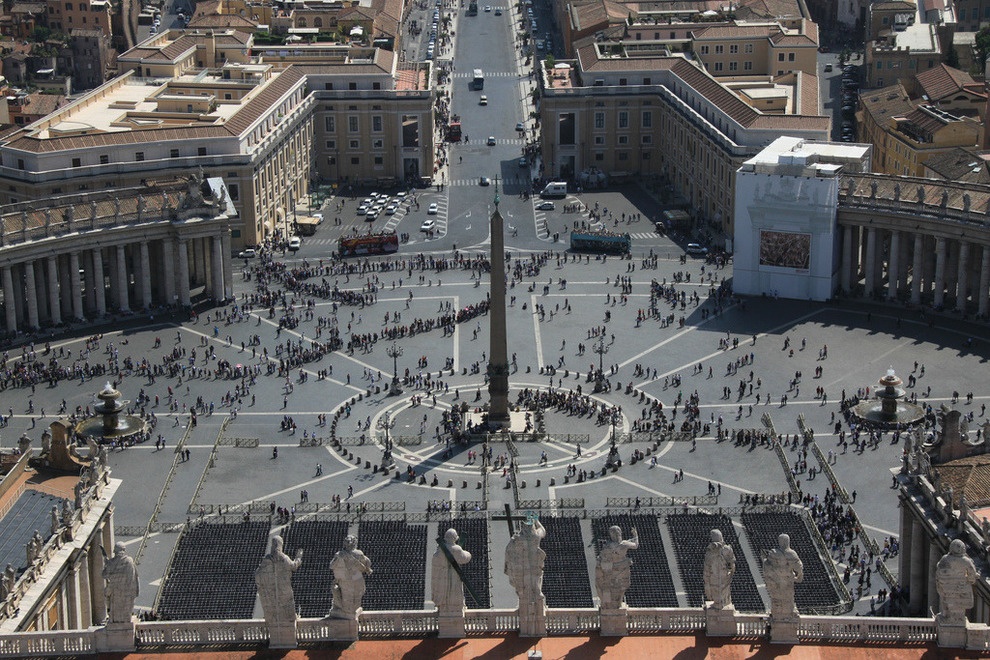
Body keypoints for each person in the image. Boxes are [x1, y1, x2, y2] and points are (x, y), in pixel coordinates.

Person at [504, 514, 546, 619]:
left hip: (521, 571)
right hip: (534, 569)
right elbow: (542, 530)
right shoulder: (535, 536)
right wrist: (537, 521)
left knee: (523, 591)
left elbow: (508, 552)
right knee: (535, 586)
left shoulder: (516, 539)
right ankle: (537, 595)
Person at [254, 536, 303, 624]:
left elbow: (258, 573)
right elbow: (294, 566)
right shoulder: (283, 558)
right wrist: (298, 557)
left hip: (271, 590)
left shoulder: (267, 559)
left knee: (275, 610)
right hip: (284, 589)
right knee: (287, 609)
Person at [329, 535, 373, 620]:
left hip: (346, 580)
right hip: (357, 579)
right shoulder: (359, 553)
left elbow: (331, 566)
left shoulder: (339, 554)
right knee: (356, 600)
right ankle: (351, 612)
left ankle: (347, 612)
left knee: (347, 606)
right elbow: (368, 562)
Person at [595, 525, 639, 610]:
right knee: (621, 587)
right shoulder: (625, 544)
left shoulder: (607, 545)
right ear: (619, 533)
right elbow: (636, 545)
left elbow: (602, 557)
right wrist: (635, 536)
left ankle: (607, 605)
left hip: (609, 570)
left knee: (608, 588)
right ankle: (618, 604)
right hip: (622, 569)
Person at [762, 533, 803, 622]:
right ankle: (787, 615)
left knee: (776, 599)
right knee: (788, 599)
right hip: (787, 581)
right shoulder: (792, 554)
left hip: (776, 582)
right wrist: (799, 576)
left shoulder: (773, 553)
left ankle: (777, 614)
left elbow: (766, 564)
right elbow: (799, 567)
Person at [935, 539, 977, 625]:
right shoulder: (966, 561)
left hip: (947, 587)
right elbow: (972, 574)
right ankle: (957, 619)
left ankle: (948, 617)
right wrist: (969, 580)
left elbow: (939, 570)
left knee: (947, 602)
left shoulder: (945, 559)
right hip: (961, 587)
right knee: (959, 606)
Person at [431, 528, 471, 613]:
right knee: (454, 591)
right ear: (455, 538)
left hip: (443, 576)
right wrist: (468, 553)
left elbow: (435, 559)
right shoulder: (457, 549)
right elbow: (464, 558)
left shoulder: (440, 550)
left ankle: (445, 607)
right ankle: (455, 608)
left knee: (446, 592)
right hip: (454, 575)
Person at [103, 542, 140, 624]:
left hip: (115, 591)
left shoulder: (111, 562)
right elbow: (133, 578)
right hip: (126, 592)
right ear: (124, 550)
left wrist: (107, 565)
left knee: (114, 610)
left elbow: (104, 575)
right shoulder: (129, 561)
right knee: (125, 614)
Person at [704, 529, 736, 609]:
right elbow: (732, 563)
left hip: (718, 576)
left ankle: (721, 605)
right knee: (720, 595)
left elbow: (707, 569)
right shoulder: (726, 549)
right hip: (720, 576)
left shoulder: (710, 552)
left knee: (721, 596)